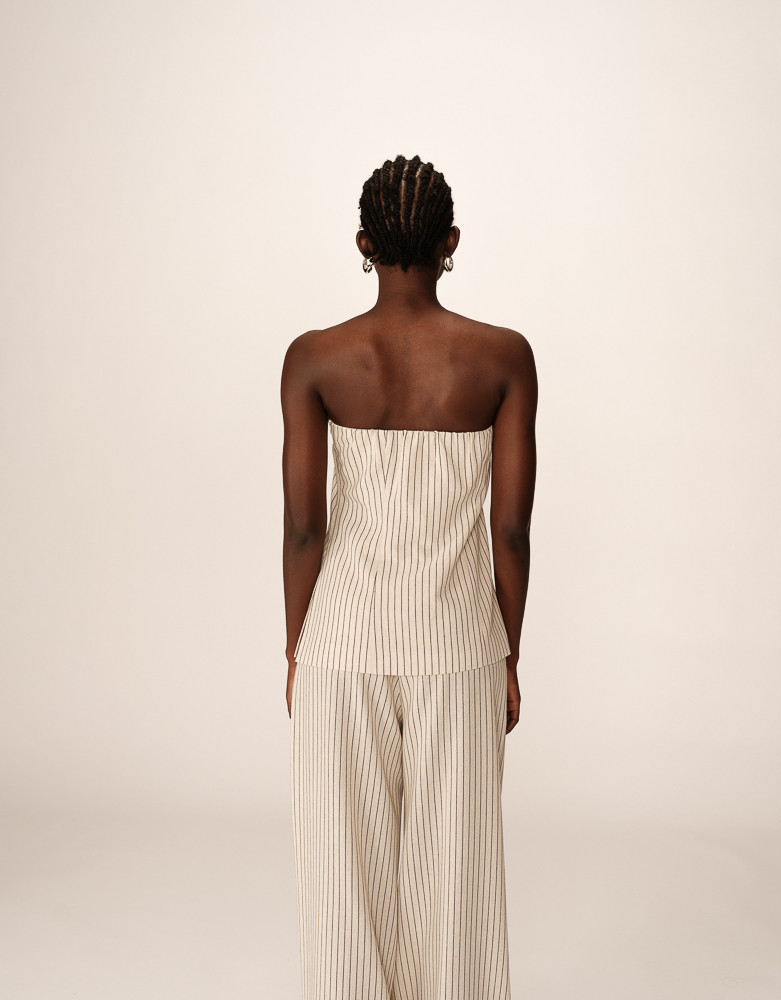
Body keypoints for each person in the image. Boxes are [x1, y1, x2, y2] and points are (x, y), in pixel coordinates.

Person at [281, 153, 537, 1000]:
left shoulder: (315, 358)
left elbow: (304, 527)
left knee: (342, 886)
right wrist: (508, 654)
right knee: (457, 881)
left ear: (363, 242)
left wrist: (296, 649)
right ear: (450, 241)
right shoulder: (503, 357)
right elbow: (511, 529)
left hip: (340, 643)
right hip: (459, 644)